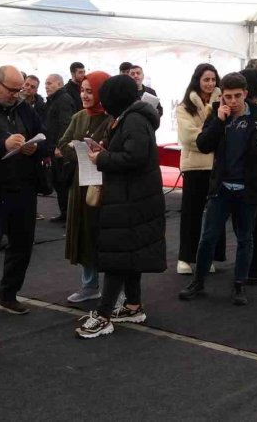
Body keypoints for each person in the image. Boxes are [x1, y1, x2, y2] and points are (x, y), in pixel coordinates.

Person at [178, 73, 257, 304]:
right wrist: (218, 122)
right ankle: (198, 282)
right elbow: (203, 144)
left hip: (248, 189)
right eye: (227, 96)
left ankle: (239, 284)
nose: (232, 101)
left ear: (246, 94)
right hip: (222, 187)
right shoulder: (217, 114)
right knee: (208, 237)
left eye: (237, 96)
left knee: (245, 238)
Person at [75, 75, 166, 339]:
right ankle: (133, 306)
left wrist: (101, 157)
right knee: (130, 255)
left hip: (130, 199)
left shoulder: (133, 120)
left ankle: (103, 316)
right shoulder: (133, 117)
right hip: (135, 198)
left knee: (117, 257)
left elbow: (134, 157)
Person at [0, 65, 46, 316]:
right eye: (12, 90)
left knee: (22, 244)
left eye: (20, 90)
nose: (16, 95)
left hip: (23, 186)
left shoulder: (23, 108)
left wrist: (35, 147)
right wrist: (1, 145)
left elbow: (44, 134)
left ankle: (8, 294)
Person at [58, 71, 113, 302]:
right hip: (81, 184)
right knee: (84, 234)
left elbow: (111, 151)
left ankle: (113, 288)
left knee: (104, 235)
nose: (84, 95)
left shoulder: (112, 118)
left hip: (104, 186)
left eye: (90, 91)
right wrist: (80, 150)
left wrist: (87, 150)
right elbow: (62, 145)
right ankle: (90, 285)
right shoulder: (79, 116)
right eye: (82, 90)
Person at [175, 63, 225, 275]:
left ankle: (208, 257)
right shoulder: (184, 107)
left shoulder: (223, 103)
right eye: (206, 79)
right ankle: (185, 258)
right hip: (194, 166)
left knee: (216, 215)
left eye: (213, 80)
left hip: (218, 165)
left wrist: (208, 137)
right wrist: (212, 138)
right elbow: (188, 137)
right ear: (197, 80)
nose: (210, 84)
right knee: (191, 214)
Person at [45, 73, 79, 223]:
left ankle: (69, 215)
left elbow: (66, 124)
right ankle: (64, 213)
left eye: (50, 83)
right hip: (54, 147)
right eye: (46, 83)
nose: (46, 86)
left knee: (64, 182)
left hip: (60, 149)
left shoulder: (63, 100)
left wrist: (60, 146)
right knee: (58, 182)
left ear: (59, 84)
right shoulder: (54, 100)